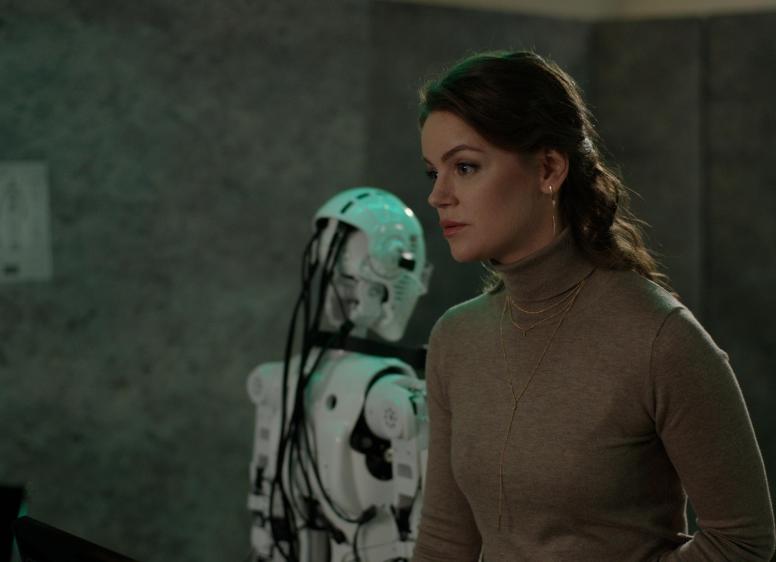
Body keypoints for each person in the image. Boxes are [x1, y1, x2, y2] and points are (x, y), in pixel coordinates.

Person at [413, 50, 776, 562]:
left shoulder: (659, 338)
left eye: (465, 167)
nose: (439, 196)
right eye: (433, 172)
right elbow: (445, 542)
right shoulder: (456, 338)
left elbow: (742, 543)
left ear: (548, 168)